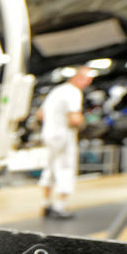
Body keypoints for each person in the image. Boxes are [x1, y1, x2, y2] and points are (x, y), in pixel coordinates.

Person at [38, 66, 94, 219]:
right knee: (65, 167)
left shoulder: (56, 91)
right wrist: (85, 123)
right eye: (86, 80)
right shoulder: (73, 92)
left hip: (48, 134)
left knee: (49, 167)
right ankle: (60, 207)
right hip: (63, 135)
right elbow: (74, 118)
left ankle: (46, 204)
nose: (87, 83)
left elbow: (40, 115)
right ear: (77, 78)